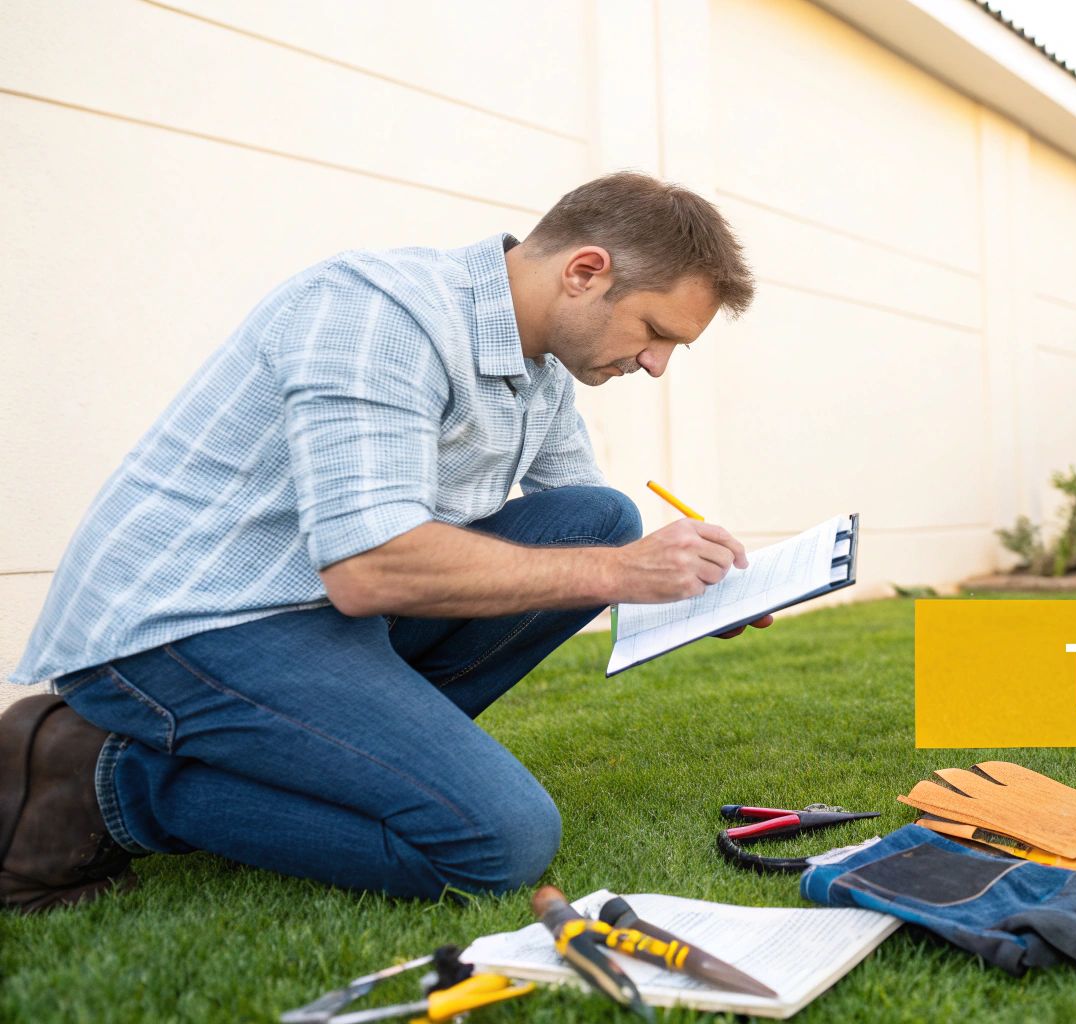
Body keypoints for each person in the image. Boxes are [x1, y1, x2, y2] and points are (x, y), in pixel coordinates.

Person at [0, 173, 764, 912]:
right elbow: (370, 567)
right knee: (499, 842)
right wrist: (623, 571)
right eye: (656, 332)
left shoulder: (545, 369)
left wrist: (692, 598)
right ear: (585, 272)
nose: (657, 364)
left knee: (598, 517)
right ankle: (105, 778)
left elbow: (587, 543)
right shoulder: (380, 314)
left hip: (316, 612)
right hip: (185, 622)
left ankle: (350, 762)